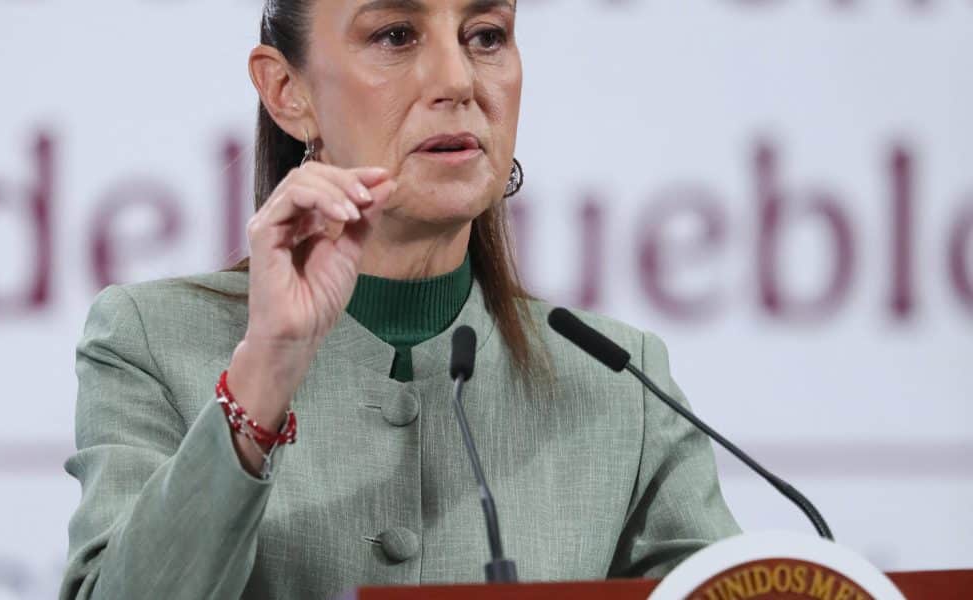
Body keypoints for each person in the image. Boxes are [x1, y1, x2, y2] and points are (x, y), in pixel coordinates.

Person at [59, 0, 740, 598]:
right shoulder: (148, 338)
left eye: (486, 35)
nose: (457, 80)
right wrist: (262, 379)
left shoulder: (619, 382)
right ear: (287, 90)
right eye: (394, 35)